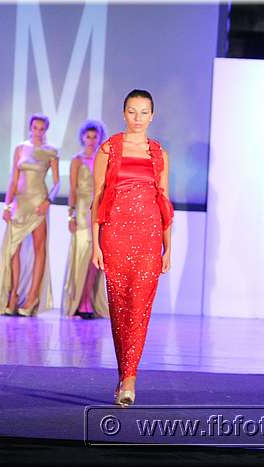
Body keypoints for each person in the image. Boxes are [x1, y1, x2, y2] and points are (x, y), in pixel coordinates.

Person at [91, 89, 173, 406]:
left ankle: (129, 379)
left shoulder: (159, 153)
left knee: (140, 307)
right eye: (132, 111)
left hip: (149, 235)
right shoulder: (109, 149)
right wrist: (96, 243)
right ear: (124, 113)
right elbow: (97, 197)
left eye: (144, 112)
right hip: (115, 233)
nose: (137, 118)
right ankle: (124, 373)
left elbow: (164, 200)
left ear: (152, 116)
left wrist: (168, 246)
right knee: (119, 307)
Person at [0, 113, 60, 317]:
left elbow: (57, 183)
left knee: (39, 249)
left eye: (42, 129)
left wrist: (48, 202)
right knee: (13, 250)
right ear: (30, 128)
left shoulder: (51, 152)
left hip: (38, 203)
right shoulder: (20, 148)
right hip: (20, 202)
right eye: (35, 128)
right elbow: (13, 179)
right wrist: (7, 205)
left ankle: (32, 297)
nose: (38, 132)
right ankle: (13, 296)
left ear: (46, 130)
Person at [61, 120, 109, 319]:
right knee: (82, 258)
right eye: (88, 136)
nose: (91, 140)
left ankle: (87, 301)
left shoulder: (104, 159)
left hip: (98, 211)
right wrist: (70, 215)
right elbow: (73, 189)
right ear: (82, 137)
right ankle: (80, 302)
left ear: (99, 138)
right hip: (81, 213)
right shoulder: (77, 160)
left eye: (94, 136)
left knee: (94, 259)